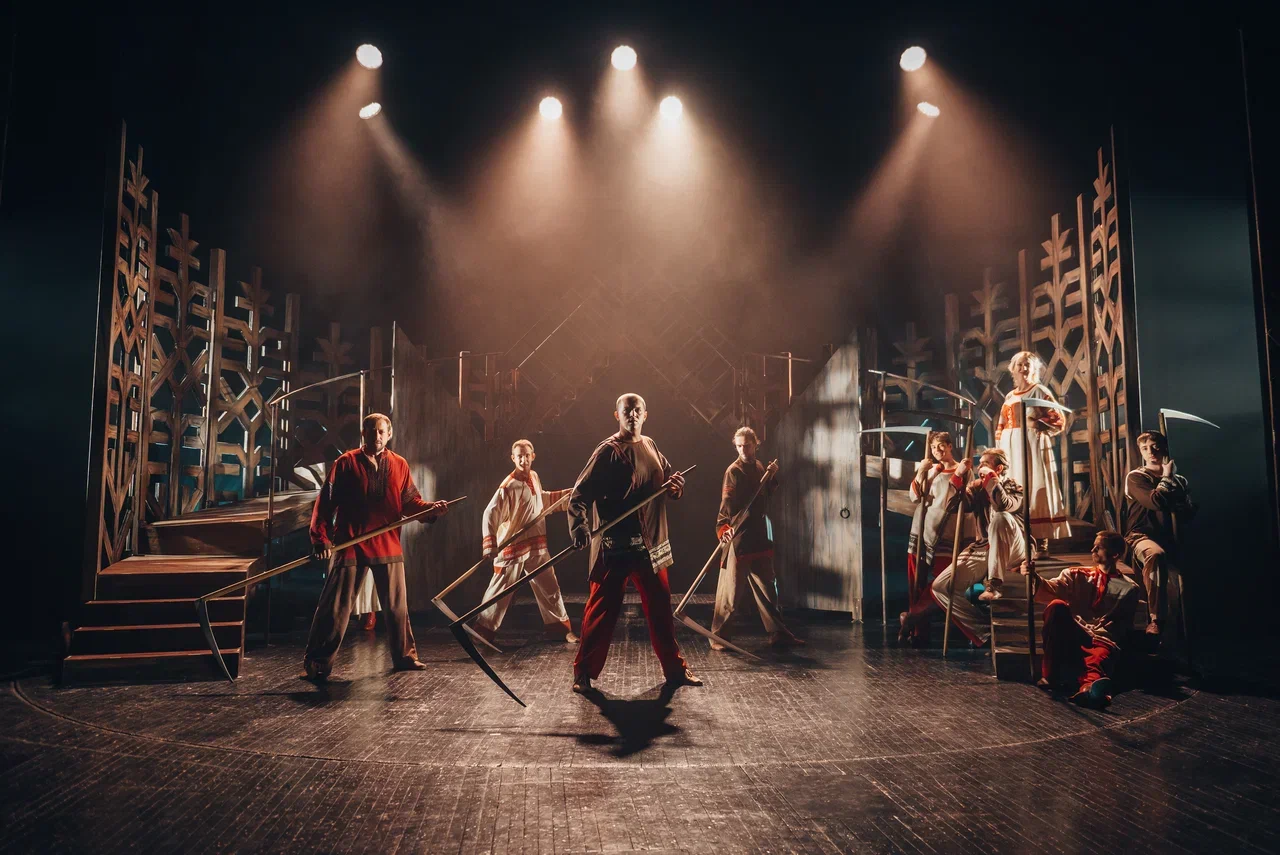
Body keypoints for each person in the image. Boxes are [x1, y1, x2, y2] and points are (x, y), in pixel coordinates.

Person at [568, 393, 701, 694]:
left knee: (661, 611)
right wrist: (579, 527)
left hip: (651, 545)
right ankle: (583, 673)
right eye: (627, 410)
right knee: (600, 613)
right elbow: (579, 495)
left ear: (645, 414)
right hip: (615, 546)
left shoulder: (651, 445)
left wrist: (676, 488)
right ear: (617, 415)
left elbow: (667, 481)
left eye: (637, 410)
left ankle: (675, 671)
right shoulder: (607, 451)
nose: (633, 415)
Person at [302, 413, 449, 680]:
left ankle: (405, 657)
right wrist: (320, 539)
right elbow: (325, 503)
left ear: (389, 434)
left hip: (387, 543)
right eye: (371, 431)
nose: (377, 436)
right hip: (350, 544)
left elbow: (410, 503)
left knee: (397, 607)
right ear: (363, 433)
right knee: (335, 608)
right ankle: (318, 663)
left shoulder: (399, 464)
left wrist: (430, 510)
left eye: (381, 431)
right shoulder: (346, 462)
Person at [473, 439, 578, 645]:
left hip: (536, 545)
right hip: (513, 547)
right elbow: (490, 514)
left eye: (527, 455)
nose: (523, 460)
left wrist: (567, 496)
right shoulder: (507, 486)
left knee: (550, 586)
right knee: (500, 591)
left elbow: (540, 501)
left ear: (533, 456)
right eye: (519, 456)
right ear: (513, 458)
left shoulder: (534, 477)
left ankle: (560, 629)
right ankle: (483, 631)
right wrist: (490, 545)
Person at [924, 447, 1029, 647]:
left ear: (998, 468)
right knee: (941, 587)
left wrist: (991, 480)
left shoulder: (1013, 485)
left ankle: (994, 585)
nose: (980, 467)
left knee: (1000, 517)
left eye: (985, 464)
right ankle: (984, 630)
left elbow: (1004, 505)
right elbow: (953, 507)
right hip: (984, 547)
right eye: (979, 463)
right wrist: (958, 478)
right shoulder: (977, 487)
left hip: (1013, 547)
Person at [710, 427, 803, 650]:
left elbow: (765, 495)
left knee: (768, 590)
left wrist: (770, 476)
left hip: (758, 537)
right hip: (739, 537)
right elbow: (726, 504)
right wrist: (724, 528)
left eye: (747, 445)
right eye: (739, 446)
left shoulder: (760, 466)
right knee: (731, 593)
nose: (743, 450)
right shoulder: (733, 471)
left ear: (756, 445)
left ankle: (778, 633)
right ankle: (718, 637)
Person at [1032, 531, 1139, 709]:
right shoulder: (1076, 574)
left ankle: (1090, 691)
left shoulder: (1130, 588)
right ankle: (1051, 675)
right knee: (1056, 605)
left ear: (1115, 554)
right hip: (1075, 632)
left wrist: (1110, 625)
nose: (1092, 550)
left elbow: (1123, 624)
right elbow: (1051, 589)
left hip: (1100, 639)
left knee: (1096, 658)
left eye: (1099, 547)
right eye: (1094, 546)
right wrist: (1033, 577)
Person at [1124, 430, 1194, 639]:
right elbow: (1155, 501)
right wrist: (1166, 478)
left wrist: (1181, 505)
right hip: (1141, 535)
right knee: (1156, 554)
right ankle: (1156, 619)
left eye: (1155, 446)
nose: (1151, 451)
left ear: (1163, 447)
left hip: (1171, 537)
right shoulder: (1136, 477)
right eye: (1145, 448)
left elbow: (1188, 510)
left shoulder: (1179, 480)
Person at [994, 351, 1070, 545]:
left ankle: (1040, 537)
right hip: (1010, 447)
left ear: (1034, 368)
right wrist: (999, 448)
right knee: (1014, 485)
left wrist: (1036, 422)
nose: (1023, 368)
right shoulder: (1010, 395)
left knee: (1035, 483)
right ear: (1013, 369)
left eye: (1027, 364)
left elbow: (1059, 420)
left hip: (1032, 445)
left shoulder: (1039, 391)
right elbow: (1001, 423)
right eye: (1020, 364)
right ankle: (1019, 537)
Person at [900, 431, 961, 646]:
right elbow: (915, 496)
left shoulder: (962, 469)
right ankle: (918, 632)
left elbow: (963, 499)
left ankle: (912, 617)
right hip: (922, 527)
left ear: (950, 445)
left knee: (941, 582)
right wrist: (922, 472)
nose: (937, 451)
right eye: (934, 447)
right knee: (916, 580)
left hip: (947, 531)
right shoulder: (931, 469)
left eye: (941, 445)